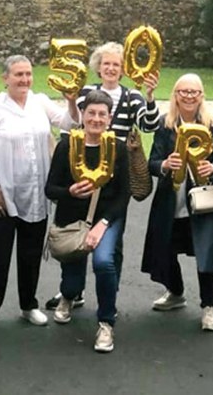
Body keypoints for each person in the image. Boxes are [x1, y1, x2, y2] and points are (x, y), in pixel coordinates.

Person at [46, 41, 160, 310]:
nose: (110, 68)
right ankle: (73, 291)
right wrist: (72, 103)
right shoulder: (86, 92)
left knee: (110, 243)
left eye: (116, 65)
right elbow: (73, 124)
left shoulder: (133, 96)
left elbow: (149, 124)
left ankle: (110, 293)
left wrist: (151, 96)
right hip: (83, 168)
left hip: (114, 173)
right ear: (98, 67)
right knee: (77, 234)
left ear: (123, 70)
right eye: (106, 63)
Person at [0, 55, 78, 329]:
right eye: (18, 74)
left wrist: (71, 101)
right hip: (3, 192)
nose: (24, 80)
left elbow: (69, 124)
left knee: (30, 253)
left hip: (35, 191)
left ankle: (28, 305)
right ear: (5, 78)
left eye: (28, 74)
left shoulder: (40, 102)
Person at [45, 90, 130, 352]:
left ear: (110, 117)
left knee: (104, 262)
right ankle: (69, 296)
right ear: (82, 115)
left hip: (105, 218)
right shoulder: (67, 145)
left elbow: (123, 193)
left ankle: (106, 321)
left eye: (101, 114)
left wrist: (103, 223)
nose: (96, 119)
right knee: (72, 273)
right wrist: (68, 192)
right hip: (72, 218)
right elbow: (51, 188)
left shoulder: (117, 148)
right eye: (91, 113)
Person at [142, 74, 213, 331]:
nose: (189, 96)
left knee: (206, 251)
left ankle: (209, 306)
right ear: (175, 95)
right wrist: (165, 164)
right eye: (184, 91)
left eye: (195, 92)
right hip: (172, 199)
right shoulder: (165, 124)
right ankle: (176, 292)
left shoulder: (211, 123)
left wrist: (212, 168)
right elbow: (152, 163)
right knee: (164, 248)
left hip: (204, 199)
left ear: (202, 95)